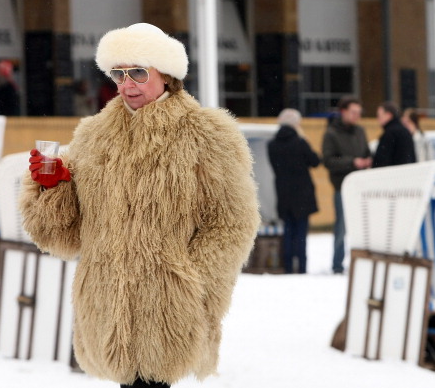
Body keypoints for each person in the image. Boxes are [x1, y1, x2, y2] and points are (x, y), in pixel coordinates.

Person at [18, 23, 260, 388]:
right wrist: (53, 188)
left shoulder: (206, 134)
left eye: (138, 73)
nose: (126, 84)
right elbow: (64, 234)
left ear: (166, 75)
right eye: (118, 73)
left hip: (168, 307)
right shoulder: (93, 135)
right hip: (106, 302)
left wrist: (189, 287)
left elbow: (231, 224)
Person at [322, 97, 372, 274]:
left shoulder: (360, 131)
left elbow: (366, 151)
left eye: (359, 113)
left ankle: (361, 262)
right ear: (343, 111)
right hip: (342, 187)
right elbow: (327, 161)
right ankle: (337, 265)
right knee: (341, 228)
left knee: (363, 227)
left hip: (361, 187)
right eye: (353, 112)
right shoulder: (331, 133)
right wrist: (352, 162)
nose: (357, 116)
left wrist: (368, 160)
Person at [267, 109, 321, 274]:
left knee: (288, 232)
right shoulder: (300, 142)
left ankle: (289, 267)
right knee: (301, 233)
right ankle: (302, 267)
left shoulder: (271, 145)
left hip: (283, 194)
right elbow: (315, 161)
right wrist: (304, 140)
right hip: (302, 195)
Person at [372, 101, 416, 168]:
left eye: (379, 115)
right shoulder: (405, 131)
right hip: (406, 173)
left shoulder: (390, 133)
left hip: (393, 175)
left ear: (389, 115)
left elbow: (382, 160)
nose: (378, 119)